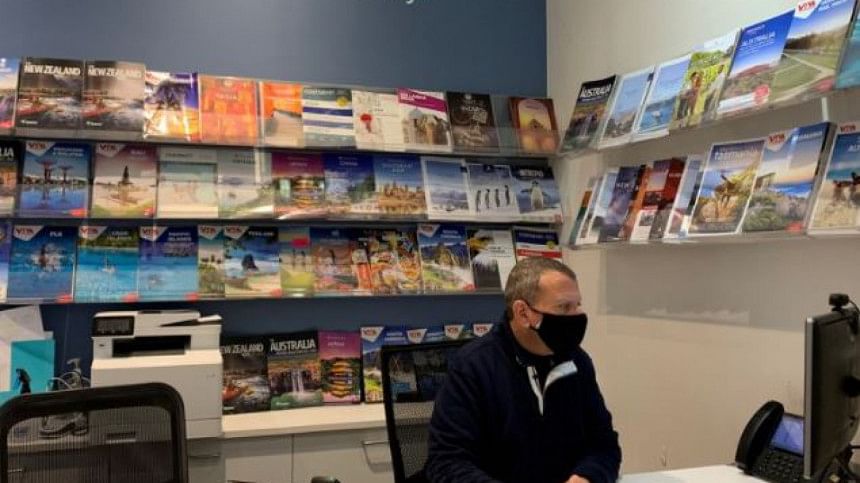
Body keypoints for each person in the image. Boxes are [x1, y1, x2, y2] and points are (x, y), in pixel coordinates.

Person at [425, 257, 621, 483]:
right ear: (523, 313)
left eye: (577, 305)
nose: (576, 316)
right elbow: (447, 462)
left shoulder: (577, 362)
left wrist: (587, 476)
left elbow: (604, 444)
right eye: (564, 307)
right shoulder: (473, 367)